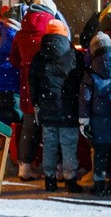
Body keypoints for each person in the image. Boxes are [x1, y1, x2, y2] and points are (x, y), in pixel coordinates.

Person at [29, 19, 84, 192]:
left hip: (47, 106)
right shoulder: (73, 54)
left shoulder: (39, 55)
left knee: (50, 145)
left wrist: (36, 102)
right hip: (69, 107)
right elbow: (79, 80)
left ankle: (50, 179)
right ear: (64, 33)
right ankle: (70, 179)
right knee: (68, 145)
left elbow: (33, 82)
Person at [9, 1, 55, 180]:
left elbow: (13, 59)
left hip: (27, 83)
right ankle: (51, 166)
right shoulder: (51, 25)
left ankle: (25, 166)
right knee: (52, 126)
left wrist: (26, 65)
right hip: (49, 82)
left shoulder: (21, 31)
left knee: (29, 125)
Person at [79, 32, 111, 196]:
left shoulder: (91, 74)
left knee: (100, 155)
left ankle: (99, 184)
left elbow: (85, 99)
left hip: (98, 123)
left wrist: (84, 121)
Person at [0, 6, 22, 170]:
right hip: (12, 85)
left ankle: (2, 162)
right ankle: (20, 163)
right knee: (21, 123)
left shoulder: (4, 32)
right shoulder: (15, 35)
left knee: (2, 124)